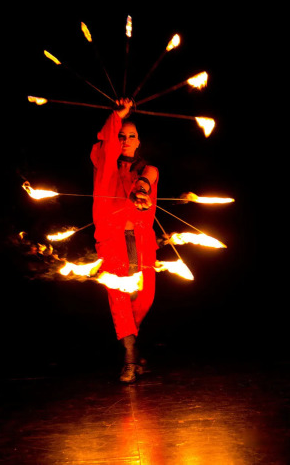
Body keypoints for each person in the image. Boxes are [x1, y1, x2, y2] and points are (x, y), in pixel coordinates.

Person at [90, 98, 159, 383]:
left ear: (139, 141)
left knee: (143, 298)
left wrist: (141, 189)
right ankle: (130, 357)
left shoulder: (147, 169)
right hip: (112, 241)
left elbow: (149, 177)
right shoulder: (102, 162)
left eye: (131, 136)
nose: (125, 141)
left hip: (141, 242)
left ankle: (133, 345)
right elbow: (105, 147)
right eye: (121, 135)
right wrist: (116, 115)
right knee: (119, 298)